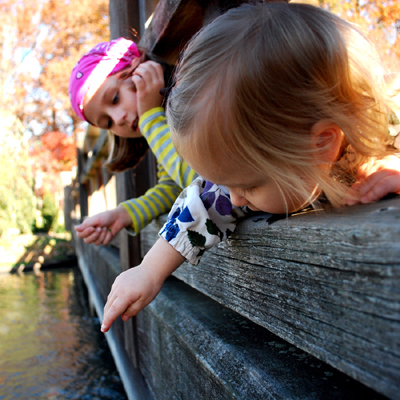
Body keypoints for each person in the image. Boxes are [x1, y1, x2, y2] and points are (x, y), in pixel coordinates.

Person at [100, 3, 400, 333]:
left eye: (249, 186)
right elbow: (201, 204)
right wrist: (149, 271)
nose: (236, 200)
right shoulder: (243, 177)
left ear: (320, 144)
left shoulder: (386, 125)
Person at [68, 38, 197, 244]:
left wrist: (151, 119)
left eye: (115, 98)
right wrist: (124, 214)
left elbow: (207, 181)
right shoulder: (162, 126)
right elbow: (175, 185)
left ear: (141, 68)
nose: (118, 119)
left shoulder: (193, 97)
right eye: (108, 122)